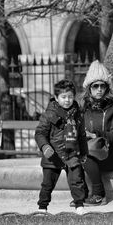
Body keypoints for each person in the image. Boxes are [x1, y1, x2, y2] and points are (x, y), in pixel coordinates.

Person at [35, 79, 88, 214]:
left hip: (71, 154)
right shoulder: (49, 114)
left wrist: (84, 153)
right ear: (57, 98)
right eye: (63, 97)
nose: (67, 100)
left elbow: (81, 135)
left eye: (70, 97)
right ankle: (42, 207)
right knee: (48, 184)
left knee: (77, 181)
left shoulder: (78, 115)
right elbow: (40, 133)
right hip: (53, 155)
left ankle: (79, 205)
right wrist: (45, 147)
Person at [81, 60, 113, 206]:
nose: (99, 89)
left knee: (84, 154)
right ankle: (80, 195)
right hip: (90, 152)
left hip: (111, 153)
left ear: (107, 87)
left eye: (102, 85)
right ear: (89, 88)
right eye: (95, 86)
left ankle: (99, 195)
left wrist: (95, 134)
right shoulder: (83, 109)